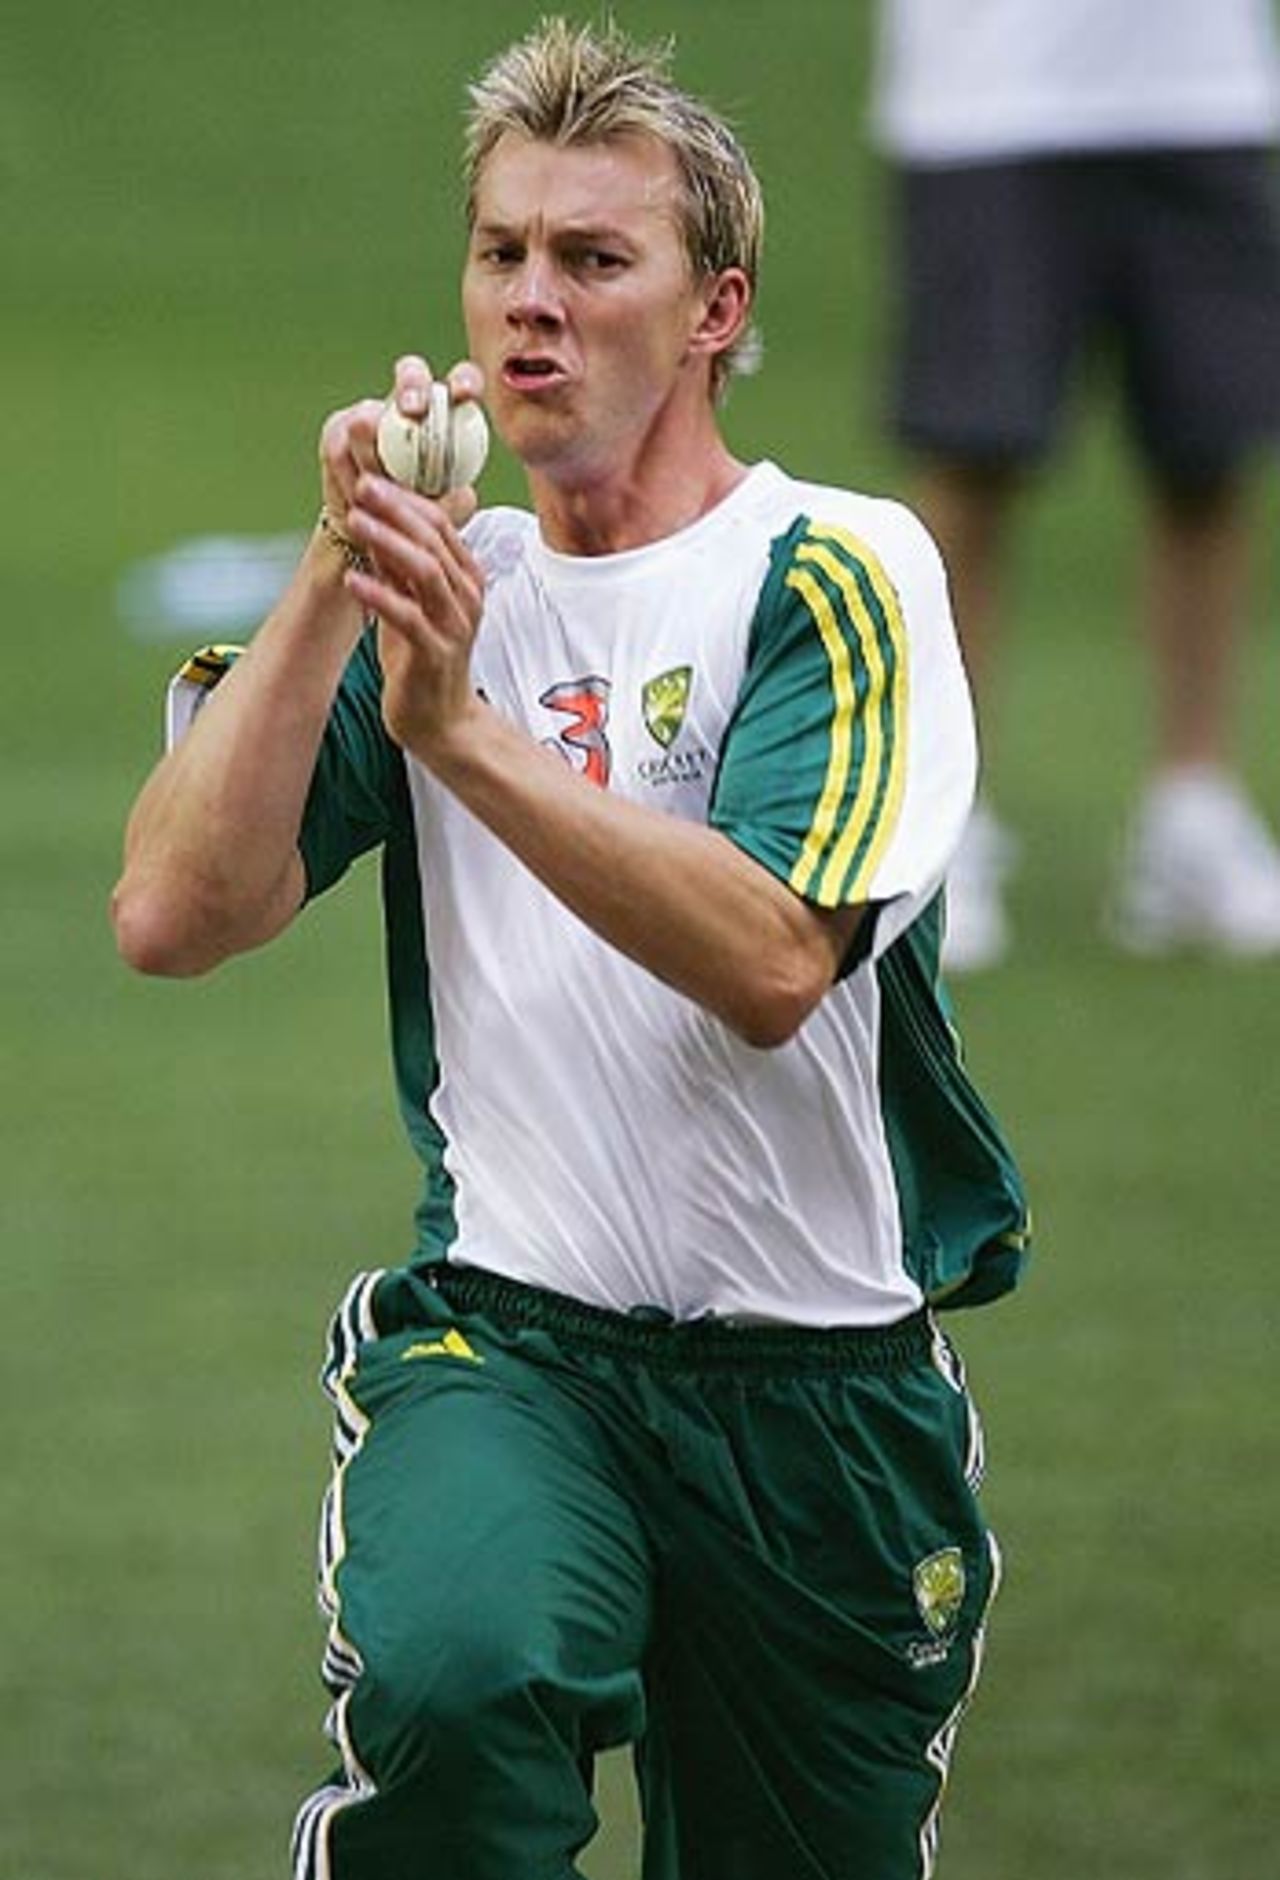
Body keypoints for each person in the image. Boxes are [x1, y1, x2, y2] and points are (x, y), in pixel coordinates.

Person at [112, 19, 1030, 1880]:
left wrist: (462, 738)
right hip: (512, 1344)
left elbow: (772, 960)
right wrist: (338, 568)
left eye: (594, 259)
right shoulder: (452, 599)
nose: (532, 301)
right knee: (457, 1685)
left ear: (714, 311)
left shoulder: (838, 569)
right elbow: (171, 915)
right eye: (503, 253)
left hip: (826, 1394)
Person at [872, 0, 1280, 969]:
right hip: (987, 94)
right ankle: (943, 824)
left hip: (1204, 88)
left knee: (1206, 453)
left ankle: (1193, 809)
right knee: (970, 457)